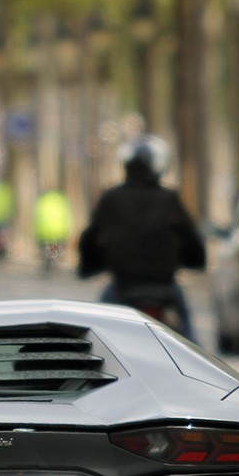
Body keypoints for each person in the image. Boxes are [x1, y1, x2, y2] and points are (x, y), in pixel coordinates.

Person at [78, 136, 205, 338]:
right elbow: (190, 237)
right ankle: (199, 367)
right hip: (164, 284)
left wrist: (89, 266)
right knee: (190, 338)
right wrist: (196, 261)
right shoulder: (169, 198)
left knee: (97, 336)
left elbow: (91, 237)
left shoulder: (111, 198)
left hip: (123, 285)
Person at [33, 189, 73, 275]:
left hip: (44, 230)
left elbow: (37, 217)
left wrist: (36, 230)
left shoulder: (42, 200)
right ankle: (53, 257)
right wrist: (68, 229)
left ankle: (48, 258)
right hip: (58, 230)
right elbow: (67, 216)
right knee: (55, 246)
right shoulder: (61, 200)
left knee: (45, 245)